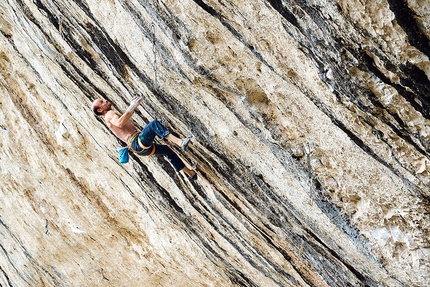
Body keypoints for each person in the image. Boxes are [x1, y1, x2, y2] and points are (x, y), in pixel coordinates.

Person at [91, 96, 197, 180]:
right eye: (101, 102)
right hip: (137, 142)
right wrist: (132, 106)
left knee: (167, 151)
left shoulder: (109, 116)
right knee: (153, 125)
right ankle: (180, 142)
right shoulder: (109, 114)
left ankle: (190, 173)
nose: (105, 100)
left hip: (139, 148)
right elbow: (119, 123)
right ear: (100, 110)